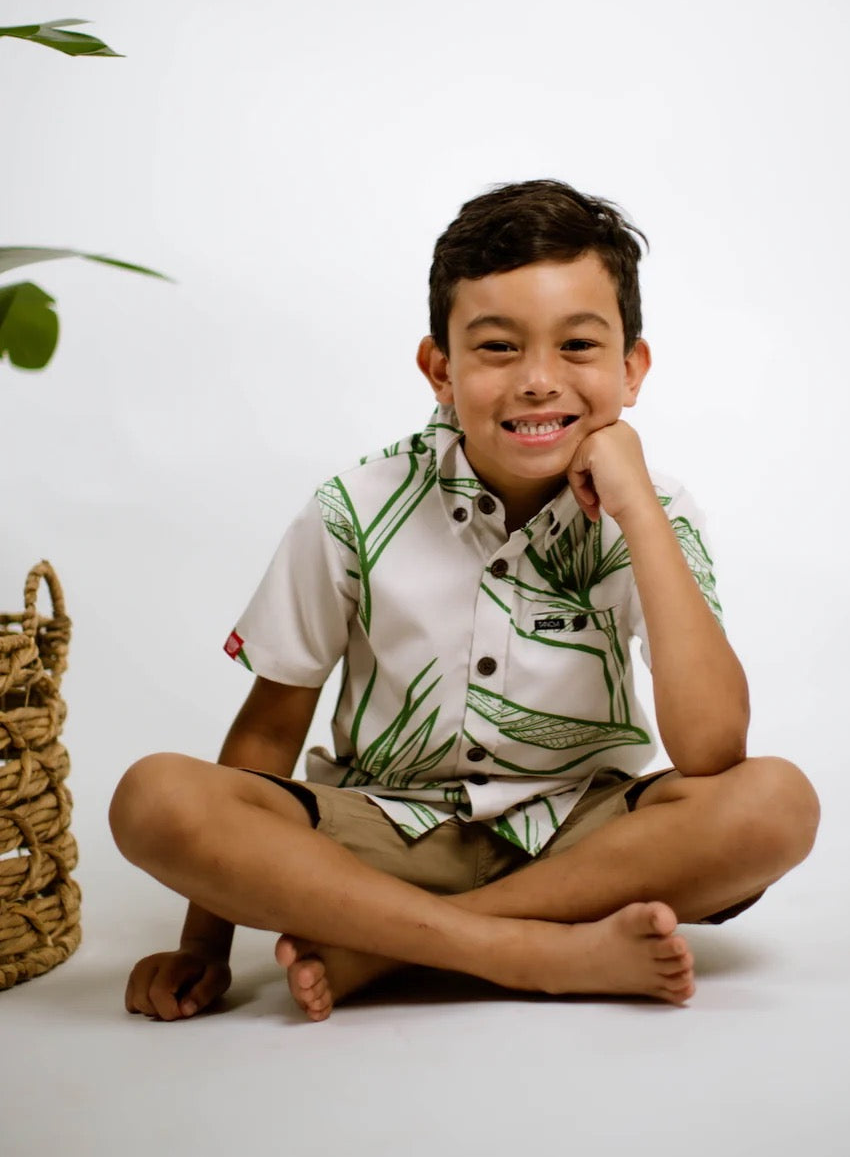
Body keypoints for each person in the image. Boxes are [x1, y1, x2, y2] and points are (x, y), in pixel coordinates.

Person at [110, 179, 820, 1024]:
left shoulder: (656, 511)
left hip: (581, 842)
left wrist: (635, 509)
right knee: (154, 797)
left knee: (776, 803)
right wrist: (204, 945)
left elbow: (711, 750)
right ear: (440, 369)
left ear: (631, 369)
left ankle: (389, 948)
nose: (539, 381)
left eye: (578, 346)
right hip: (381, 837)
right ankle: (531, 952)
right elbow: (268, 732)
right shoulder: (354, 508)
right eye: (498, 348)